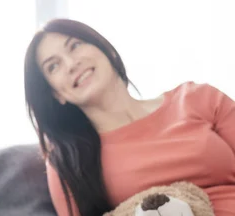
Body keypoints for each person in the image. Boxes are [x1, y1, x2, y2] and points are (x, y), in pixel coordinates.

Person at [24, 18, 235, 216]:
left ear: (107, 51)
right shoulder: (68, 162)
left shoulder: (198, 98)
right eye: (54, 66)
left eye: (75, 46)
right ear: (57, 94)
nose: (70, 64)